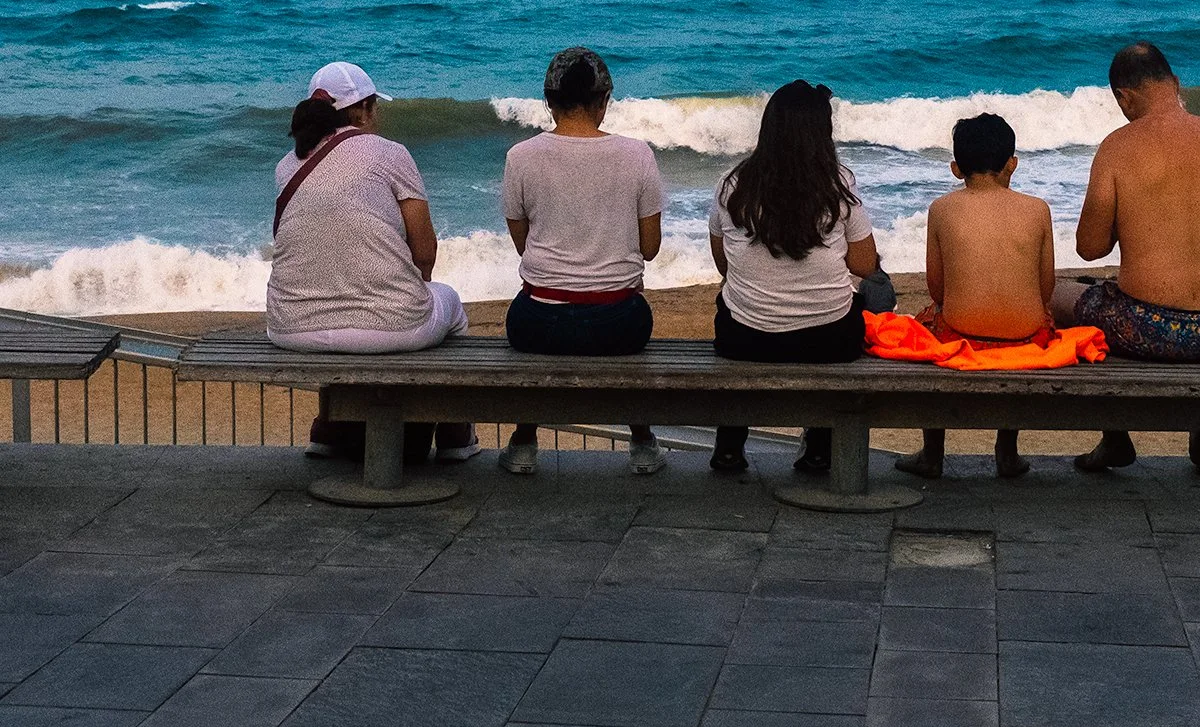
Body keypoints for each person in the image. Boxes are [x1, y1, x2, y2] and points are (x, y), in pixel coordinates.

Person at [1053, 41, 1200, 476]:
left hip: (1146, 328)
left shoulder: (1117, 147)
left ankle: (1114, 436)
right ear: (1175, 83)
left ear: (1123, 96)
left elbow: (1090, 247)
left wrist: (1141, 232)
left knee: (1057, 296)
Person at [267, 60, 477, 464]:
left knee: (340, 315)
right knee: (448, 302)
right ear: (362, 110)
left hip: (290, 326)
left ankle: (329, 427)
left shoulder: (286, 166)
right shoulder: (390, 154)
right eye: (374, 107)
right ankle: (454, 432)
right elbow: (425, 251)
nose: (377, 115)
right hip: (390, 328)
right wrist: (416, 287)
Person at [500, 47, 666, 476]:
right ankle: (643, 441)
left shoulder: (521, 156)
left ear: (548, 100)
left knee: (527, 317)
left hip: (537, 322)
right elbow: (650, 248)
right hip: (619, 324)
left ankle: (523, 441)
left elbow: (523, 244)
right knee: (631, 322)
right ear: (603, 100)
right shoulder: (637, 155)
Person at [707, 79, 883, 476]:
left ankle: (731, 443)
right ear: (823, 132)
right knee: (856, 303)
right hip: (829, 340)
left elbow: (724, 267)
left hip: (745, 340)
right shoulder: (838, 185)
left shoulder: (732, 185)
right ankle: (820, 446)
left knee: (729, 298)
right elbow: (866, 265)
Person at [894, 112, 1053, 482]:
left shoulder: (942, 209)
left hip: (960, 335)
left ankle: (932, 452)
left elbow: (937, 290)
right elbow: (1045, 290)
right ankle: (1007, 451)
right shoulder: (1038, 209)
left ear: (955, 168)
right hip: (1026, 337)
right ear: (1012, 164)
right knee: (1036, 318)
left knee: (926, 325)